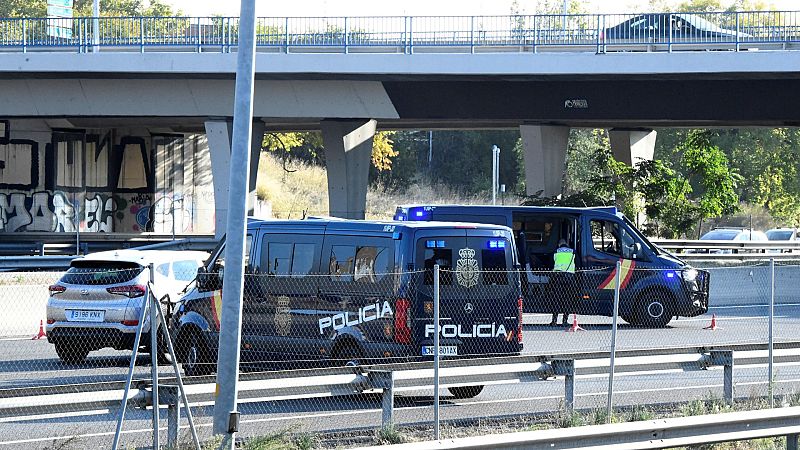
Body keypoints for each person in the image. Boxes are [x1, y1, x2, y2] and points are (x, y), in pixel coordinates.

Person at [550, 238, 576, 326]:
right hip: (569, 278)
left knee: (556, 299)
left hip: (558, 278)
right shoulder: (573, 251)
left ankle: (554, 321)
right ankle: (565, 321)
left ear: (559, 244)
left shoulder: (556, 251)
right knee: (567, 299)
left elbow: (551, 263)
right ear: (567, 244)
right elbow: (578, 263)